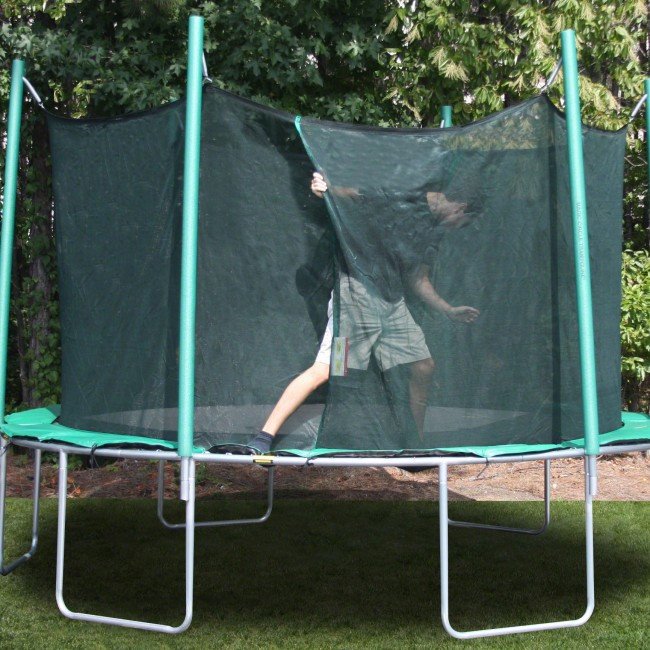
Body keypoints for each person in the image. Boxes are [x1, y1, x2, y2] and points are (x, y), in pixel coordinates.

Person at [247, 172, 479, 453]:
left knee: (423, 365)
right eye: (461, 223)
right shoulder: (402, 196)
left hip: (392, 304)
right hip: (356, 298)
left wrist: (448, 309)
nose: (456, 227)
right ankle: (263, 438)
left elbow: (418, 278)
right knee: (328, 369)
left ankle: (414, 445)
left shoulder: (430, 231)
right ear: (460, 207)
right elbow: (353, 192)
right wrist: (325, 189)